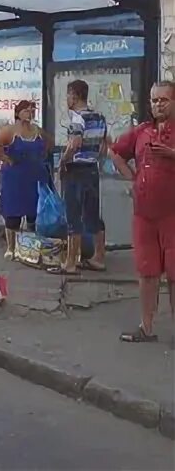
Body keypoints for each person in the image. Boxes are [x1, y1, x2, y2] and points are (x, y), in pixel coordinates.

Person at [109, 81, 175, 343]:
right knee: (147, 273)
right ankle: (146, 328)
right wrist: (133, 179)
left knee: (174, 274)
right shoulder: (142, 131)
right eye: (155, 100)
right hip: (144, 214)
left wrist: (171, 153)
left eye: (164, 100)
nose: (158, 105)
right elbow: (115, 152)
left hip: (172, 215)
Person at [50, 79, 109, 275]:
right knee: (93, 214)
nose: (66, 99)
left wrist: (63, 162)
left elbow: (74, 143)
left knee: (73, 214)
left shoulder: (77, 119)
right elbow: (104, 145)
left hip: (76, 171)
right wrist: (94, 159)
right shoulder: (99, 117)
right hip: (92, 169)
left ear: (74, 95)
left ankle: (70, 263)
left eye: (68, 95)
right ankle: (99, 258)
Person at [0, 100, 51, 259]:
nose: (30, 111)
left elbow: (48, 144)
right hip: (14, 178)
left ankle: (31, 246)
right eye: (26, 109)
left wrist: (41, 158)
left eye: (32, 109)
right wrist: (5, 158)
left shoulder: (37, 130)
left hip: (34, 177)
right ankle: (11, 247)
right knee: (12, 212)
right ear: (18, 112)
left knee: (34, 213)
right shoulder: (10, 131)